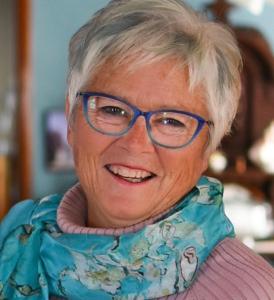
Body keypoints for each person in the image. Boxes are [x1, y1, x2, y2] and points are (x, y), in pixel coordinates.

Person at [1, 0, 274, 299]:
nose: (135, 143)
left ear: (207, 146)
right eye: (113, 110)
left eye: (171, 121)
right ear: (71, 118)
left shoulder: (247, 290)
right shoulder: (18, 236)